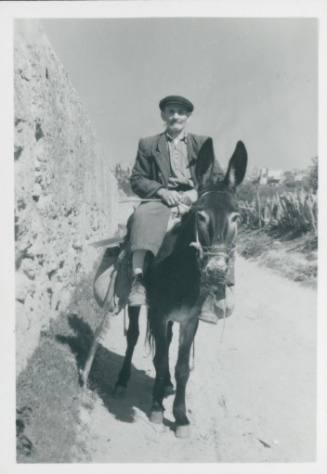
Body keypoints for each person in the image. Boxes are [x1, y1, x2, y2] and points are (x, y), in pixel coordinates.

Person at [127, 95, 234, 323]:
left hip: (195, 198)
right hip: (161, 199)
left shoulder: (202, 143)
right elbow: (137, 178)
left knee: (221, 223)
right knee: (141, 216)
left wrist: (196, 193)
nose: (176, 116)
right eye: (171, 111)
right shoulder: (148, 144)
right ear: (163, 115)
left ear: (188, 117)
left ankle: (219, 290)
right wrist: (161, 191)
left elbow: (216, 177)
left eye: (181, 112)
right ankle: (138, 282)